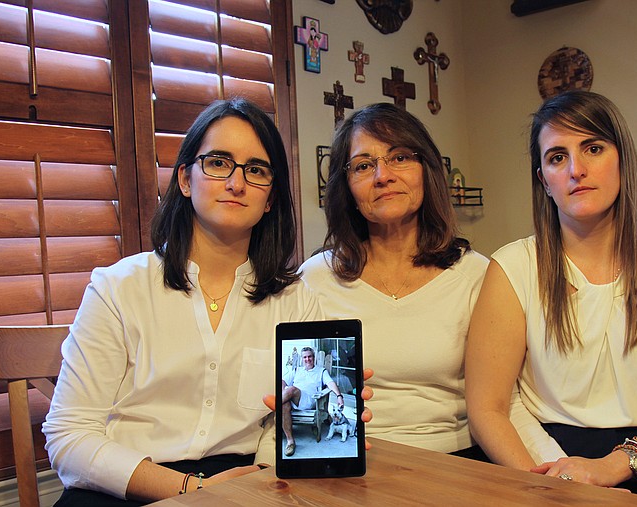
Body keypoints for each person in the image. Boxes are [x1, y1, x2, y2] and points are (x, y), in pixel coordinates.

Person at [42, 99, 372, 506]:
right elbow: (69, 435)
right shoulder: (119, 288)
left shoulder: (295, 299)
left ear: (269, 198)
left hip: (243, 484)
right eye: (218, 163)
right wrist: (195, 492)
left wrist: (277, 469)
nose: (237, 183)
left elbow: (275, 430)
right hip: (126, 484)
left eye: (256, 170)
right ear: (185, 178)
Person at [465, 91, 637, 506]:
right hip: (550, 457)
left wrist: (615, 465)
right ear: (543, 179)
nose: (577, 169)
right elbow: (487, 407)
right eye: (557, 157)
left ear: (622, 161)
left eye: (592, 148)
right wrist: (542, 480)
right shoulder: (513, 266)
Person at [301, 103, 489, 459]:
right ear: (348, 190)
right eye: (363, 166)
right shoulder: (313, 279)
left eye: (399, 158)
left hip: (456, 460)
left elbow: (503, 403)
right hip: (349, 460)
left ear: (427, 171)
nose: (382, 176)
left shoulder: (477, 275)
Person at [281, 346, 346, 456]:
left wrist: (339, 396)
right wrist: (283, 390)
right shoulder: (297, 370)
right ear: (302, 358)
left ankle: (272, 408)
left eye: (309, 356)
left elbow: (330, 384)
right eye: (305, 357)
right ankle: (290, 441)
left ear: (314, 357)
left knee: (291, 389)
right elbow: (282, 381)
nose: (307, 359)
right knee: (284, 405)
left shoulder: (321, 371)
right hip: (292, 400)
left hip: (310, 400)